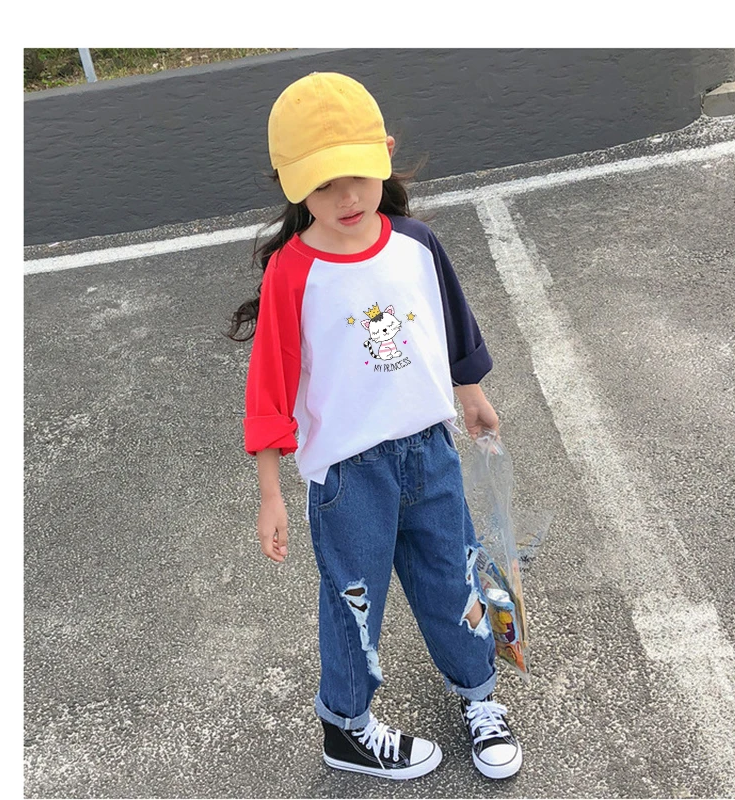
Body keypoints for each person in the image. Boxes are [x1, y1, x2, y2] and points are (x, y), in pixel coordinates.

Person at [229, 71, 522, 781]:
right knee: (354, 603)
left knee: (454, 576)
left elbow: (451, 324)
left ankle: (479, 695)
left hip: (430, 452)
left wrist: (471, 391)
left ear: (384, 155)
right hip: (347, 475)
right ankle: (348, 728)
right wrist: (270, 492)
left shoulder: (416, 243)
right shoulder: (291, 273)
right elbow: (269, 387)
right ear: (293, 186)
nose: (347, 197)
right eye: (323, 185)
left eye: (357, 176)